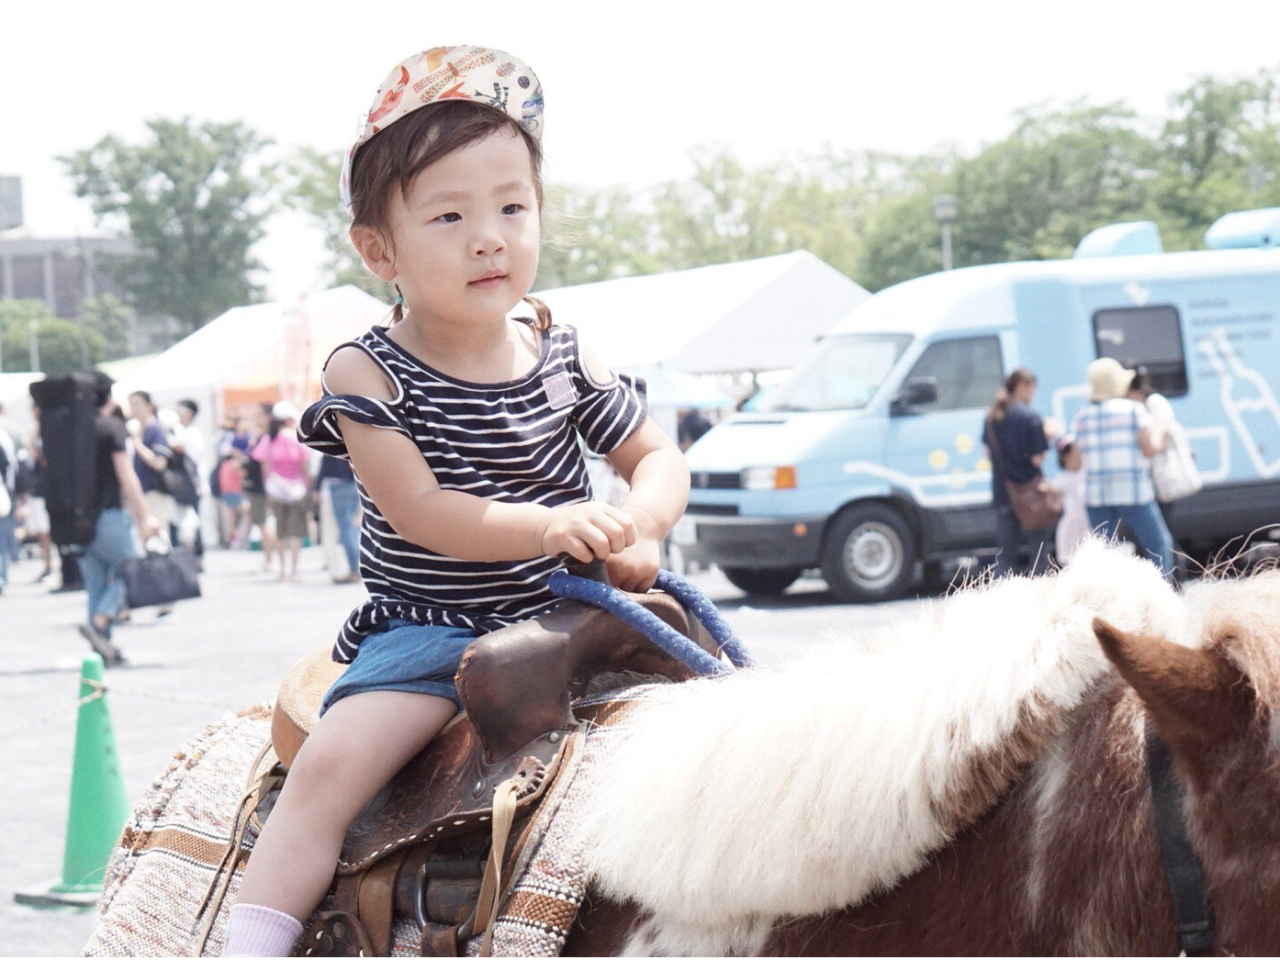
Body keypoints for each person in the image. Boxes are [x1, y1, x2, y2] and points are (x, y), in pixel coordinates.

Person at [223, 46, 690, 956]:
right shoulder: (370, 370)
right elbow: (423, 511)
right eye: (450, 215)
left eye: (513, 208)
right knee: (328, 772)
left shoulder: (561, 347)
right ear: (378, 249)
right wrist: (552, 524)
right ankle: (252, 940)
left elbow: (656, 453)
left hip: (578, 615)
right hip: (437, 629)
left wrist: (642, 525)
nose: (491, 237)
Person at [78, 375, 161, 664]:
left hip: (79, 520)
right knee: (132, 569)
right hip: (110, 514)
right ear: (109, 398)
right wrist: (145, 515)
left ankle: (101, 650)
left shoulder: (74, 428)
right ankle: (100, 623)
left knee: (96, 583)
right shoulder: (111, 428)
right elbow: (126, 475)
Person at [1071, 357, 1174, 579]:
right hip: (1134, 492)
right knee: (1157, 545)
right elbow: (1149, 449)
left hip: (1096, 496)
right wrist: (1163, 429)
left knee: (1103, 556)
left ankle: (1107, 603)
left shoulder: (1083, 416)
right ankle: (1161, 595)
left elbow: (1076, 462)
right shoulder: (1133, 411)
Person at [982, 368, 1052, 577]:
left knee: (1006, 554)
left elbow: (987, 452)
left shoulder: (992, 417)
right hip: (1030, 493)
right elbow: (1037, 458)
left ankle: (1001, 593)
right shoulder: (1031, 417)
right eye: (1032, 388)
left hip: (1003, 491)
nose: (1034, 393)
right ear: (1022, 386)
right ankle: (1040, 595)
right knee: (1038, 550)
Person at [252, 401, 310, 582]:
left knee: (280, 530)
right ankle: (294, 570)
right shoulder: (296, 438)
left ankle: (282, 569)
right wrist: (308, 485)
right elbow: (305, 466)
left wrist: (269, 485)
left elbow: (264, 467)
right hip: (297, 490)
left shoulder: (268, 439)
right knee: (296, 532)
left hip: (275, 490)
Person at [127, 391, 175, 544]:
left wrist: (138, 444)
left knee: (159, 537)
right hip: (142, 491)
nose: (134, 409)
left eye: (137, 405)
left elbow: (159, 463)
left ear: (149, 406)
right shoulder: (139, 430)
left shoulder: (155, 429)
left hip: (155, 491)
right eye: (131, 405)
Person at [317, 453, 360, 583]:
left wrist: (317, 486)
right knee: (352, 528)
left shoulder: (334, 437)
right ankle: (357, 567)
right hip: (355, 483)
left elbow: (325, 466)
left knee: (346, 528)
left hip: (338, 484)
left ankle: (354, 569)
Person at [1050, 434, 1088, 564]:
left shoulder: (1087, 475)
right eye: (1070, 455)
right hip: (1071, 524)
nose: (1075, 457)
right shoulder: (1062, 478)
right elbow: (1053, 493)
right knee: (1070, 559)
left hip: (1088, 523)